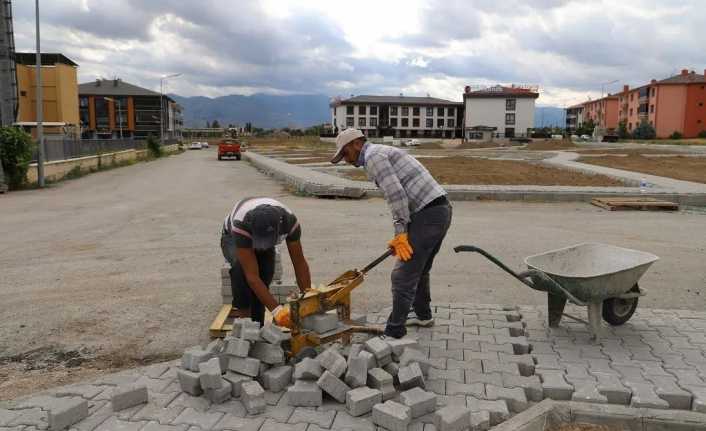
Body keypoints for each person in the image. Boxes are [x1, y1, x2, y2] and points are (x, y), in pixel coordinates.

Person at [331, 128, 452, 338]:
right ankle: (423, 315)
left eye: (345, 154)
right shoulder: (378, 153)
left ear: (357, 144)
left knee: (402, 276)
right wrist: (403, 233)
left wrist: (401, 233)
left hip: (429, 215)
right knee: (419, 269)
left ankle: (395, 330)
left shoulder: (373, 157)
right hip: (438, 212)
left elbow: (396, 196)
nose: (345, 160)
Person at [220, 197, 311, 328]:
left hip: (258, 232)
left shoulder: (290, 223)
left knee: (266, 272)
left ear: (278, 229)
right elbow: (252, 277)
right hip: (232, 238)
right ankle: (245, 327)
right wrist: (278, 312)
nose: (262, 248)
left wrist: (307, 298)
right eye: (260, 242)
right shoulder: (242, 224)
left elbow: (299, 263)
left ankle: (259, 325)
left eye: (266, 242)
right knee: (241, 271)